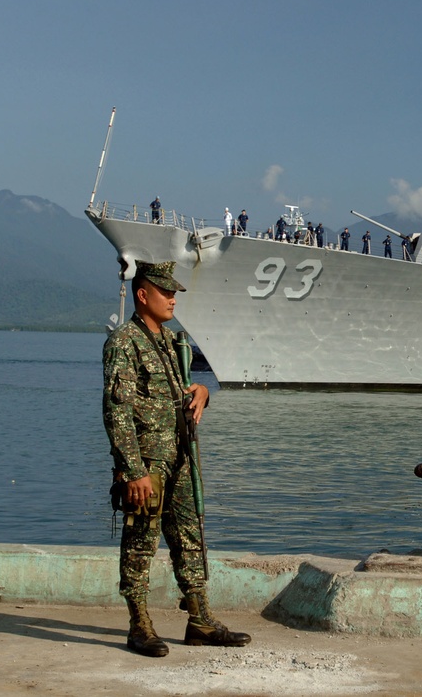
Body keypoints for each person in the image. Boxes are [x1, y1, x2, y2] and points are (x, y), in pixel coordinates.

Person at [102, 261, 250, 658]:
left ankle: (199, 619)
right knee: (140, 543)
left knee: (189, 537)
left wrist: (201, 392)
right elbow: (117, 411)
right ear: (142, 295)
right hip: (146, 463)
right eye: (165, 291)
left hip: (179, 457)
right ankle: (139, 625)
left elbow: (178, 392)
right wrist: (132, 471)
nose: (172, 298)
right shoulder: (124, 342)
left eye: (174, 292)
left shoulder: (168, 341)